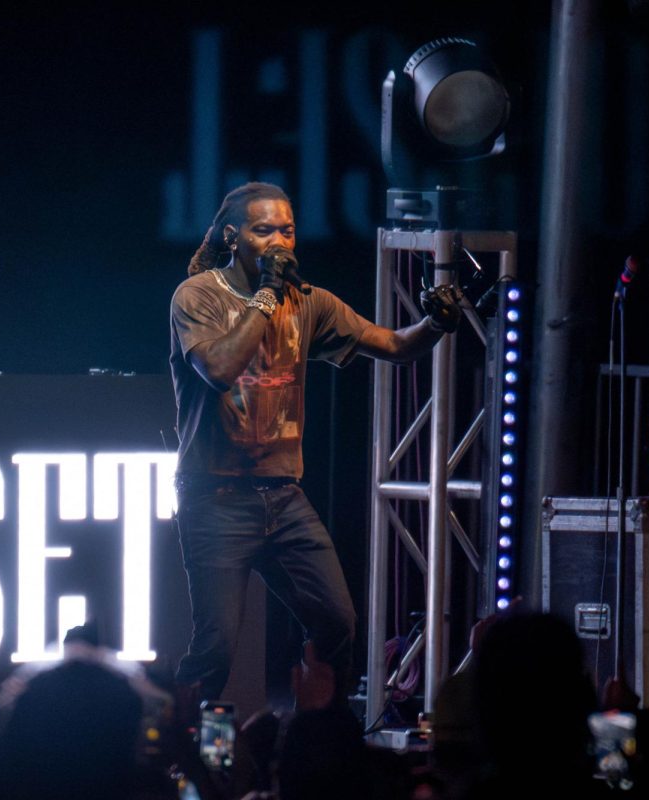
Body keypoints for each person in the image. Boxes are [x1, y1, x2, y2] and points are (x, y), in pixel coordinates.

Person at [169, 181, 460, 705]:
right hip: (216, 498)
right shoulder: (198, 296)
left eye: (288, 229)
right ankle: (180, 751)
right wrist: (265, 297)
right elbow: (218, 368)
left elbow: (393, 345)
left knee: (338, 624)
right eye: (264, 230)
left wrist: (437, 323)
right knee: (215, 648)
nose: (280, 241)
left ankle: (317, 738)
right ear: (233, 238)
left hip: (283, 497)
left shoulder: (309, 303)